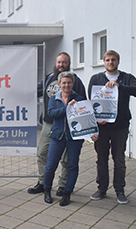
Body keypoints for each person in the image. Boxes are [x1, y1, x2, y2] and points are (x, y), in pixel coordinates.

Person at [28, 52, 86, 196]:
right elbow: (36, 90)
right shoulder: (48, 78)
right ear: (55, 63)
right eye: (59, 62)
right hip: (49, 124)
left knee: (66, 159)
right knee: (42, 153)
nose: (61, 65)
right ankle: (42, 182)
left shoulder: (75, 81)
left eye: (64, 62)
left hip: (68, 126)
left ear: (69, 64)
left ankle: (63, 185)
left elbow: (84, 104)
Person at [88, 50, 136, 204]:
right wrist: (97, 120)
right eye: (107, 60)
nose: (110, 62)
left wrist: (120, 86)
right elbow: (92, 101)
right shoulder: (96, 78)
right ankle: (102, 189)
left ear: (118, 61)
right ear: (103, 62)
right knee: (101, 159)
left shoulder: (127, 78)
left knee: (119, 159)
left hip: (120, 126)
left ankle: (120, 190)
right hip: (102, 127)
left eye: (113, 60)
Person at [43, 72, 85, 206]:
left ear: (73, 84)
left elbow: (85, 117)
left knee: (72, 165)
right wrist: (67, 108)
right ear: (59, 84)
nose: (66, 85)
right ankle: (47, 190)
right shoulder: (54, 99)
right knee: (51, 165)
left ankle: (67, 193)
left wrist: (92, 133)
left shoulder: (79, 98)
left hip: (74, 138)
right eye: (64, 82)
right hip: (57, 136)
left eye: (69, 82)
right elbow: (51, 113)